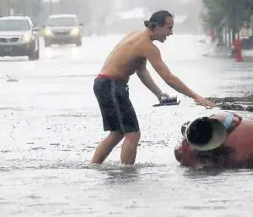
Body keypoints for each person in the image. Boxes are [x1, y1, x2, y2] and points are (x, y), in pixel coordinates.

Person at [91, 10, 216, 165]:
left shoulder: (136, 35)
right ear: (156, 27)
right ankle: (127, 175)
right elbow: (168, 78)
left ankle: (94, 167)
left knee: (117, 133)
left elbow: (141, 71)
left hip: (102, 84)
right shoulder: (147, 46)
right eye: (169, 28)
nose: (171, 33)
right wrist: (196, 96)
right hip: (111, 85)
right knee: (133, 134)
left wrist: (159, 94)